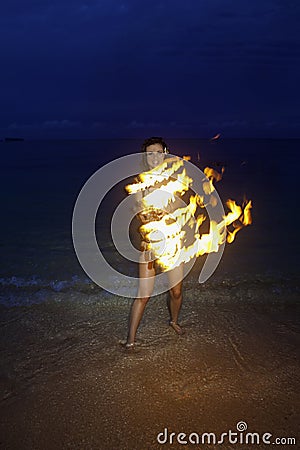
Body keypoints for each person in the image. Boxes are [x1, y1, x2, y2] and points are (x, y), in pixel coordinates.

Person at [125, 137, 185, 350]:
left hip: (173, 244)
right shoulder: (139, 183)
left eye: (158, 152)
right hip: (149, 245)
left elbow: (181, 212)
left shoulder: (175, 179)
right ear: (144, 156)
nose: (154, 157)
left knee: (176, 292)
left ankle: (174, 321)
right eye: (150, 153)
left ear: (165, 153)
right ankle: (130, 340)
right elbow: (139, 214)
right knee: (144, 295)